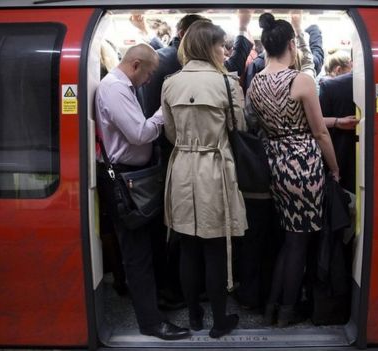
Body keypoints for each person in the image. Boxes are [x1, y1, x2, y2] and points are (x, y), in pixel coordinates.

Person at [246, 13, 340, 327]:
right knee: (299, 241)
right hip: (303, 166)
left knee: (290, 239)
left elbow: (258, 124)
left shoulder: (255, 82)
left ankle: (274, 307)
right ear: (291, 44)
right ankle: (286, 310)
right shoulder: (301, 79)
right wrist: (335, 169)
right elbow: (318, 132)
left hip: (274, 164)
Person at [94, 43, 189, 340]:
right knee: (136, 254)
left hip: (134, 175)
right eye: (147, 73)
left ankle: (158, 301)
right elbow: (139, 133)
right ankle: (150, 322)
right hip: (124, 178)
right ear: (135, 64)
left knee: (148, 245)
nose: (149, 80)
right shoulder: (114, 89)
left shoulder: (123, 86)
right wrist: (164, 111)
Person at [161, 20, 248, 339]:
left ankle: (194, 316)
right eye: (222, 45)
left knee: (187, 246)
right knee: (215, 247)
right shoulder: (228, 82)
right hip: (215, 168)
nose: (225, 51)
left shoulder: (170, 82)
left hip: (182, 166)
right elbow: (238, 126)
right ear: (209, 47)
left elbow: (170, 132)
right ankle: (219, 321)